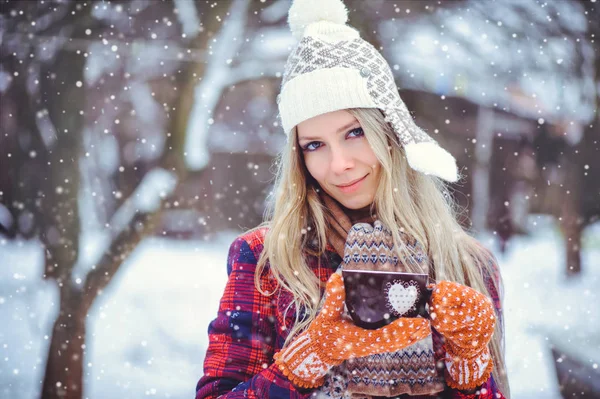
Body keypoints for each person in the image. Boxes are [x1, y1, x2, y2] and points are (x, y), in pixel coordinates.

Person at [195, 0, 510, 398]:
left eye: (355, 132)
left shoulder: (470, 265)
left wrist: (468, 366)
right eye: (314, 144)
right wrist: (308, 358)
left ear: (391, 132)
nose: (339, 164)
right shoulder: (267, 260)